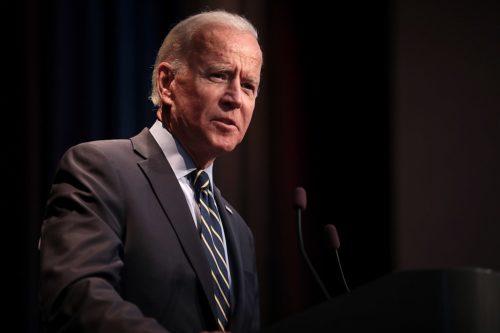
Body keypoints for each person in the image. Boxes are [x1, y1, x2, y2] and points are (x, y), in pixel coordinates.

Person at [39, 10, 263, 333]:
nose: (235, 99)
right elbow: (75, 296)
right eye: (218, 75)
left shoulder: (240, 233)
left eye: (249, 85)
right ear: (168, 83)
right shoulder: (101, 169)